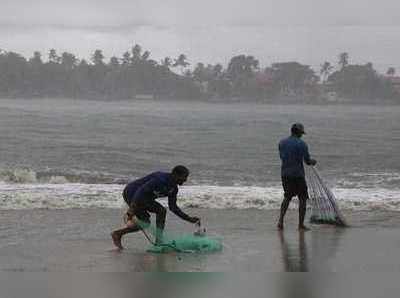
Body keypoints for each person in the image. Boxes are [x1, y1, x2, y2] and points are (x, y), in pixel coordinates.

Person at [111, 165, 200, 249]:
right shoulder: (160, 179)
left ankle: (118, 234)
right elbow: (140, 191)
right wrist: (132, 209)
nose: (185, 180)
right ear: (175, 175)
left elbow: (173, 208)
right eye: (184, 177)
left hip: (145, 197)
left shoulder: (173, 189)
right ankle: (159, 241)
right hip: (131, 193)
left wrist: (189, 219)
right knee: (160, 212)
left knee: (146, 222)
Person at [277, 123, 317, 231]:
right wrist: (313, 162)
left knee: (287, 197)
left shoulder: (281, 143)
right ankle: (300, 225)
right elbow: (307, 161)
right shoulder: (302, 144)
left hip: (285, 174)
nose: (302, 135)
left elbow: (282, 157)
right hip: (298, 175)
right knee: (302, 199)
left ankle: (280, 221)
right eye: (301, 133)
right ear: (299, 132)